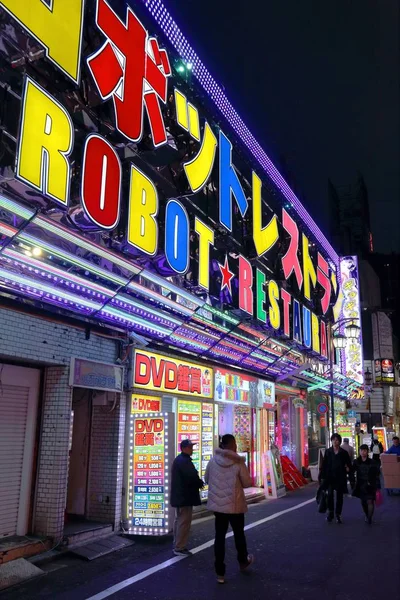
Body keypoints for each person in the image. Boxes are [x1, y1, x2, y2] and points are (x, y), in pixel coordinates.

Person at [205, 434, 253, 584]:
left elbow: (206, 479)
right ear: (232, 445)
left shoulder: (212, 461)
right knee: (239, 535)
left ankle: (220, 572)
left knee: (219, 538)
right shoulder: (238, 463)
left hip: (218, 507)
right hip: (235, 506)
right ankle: (243, 561)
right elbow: (246, 483)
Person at [170, 439, 204, 556]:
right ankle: (180, 547)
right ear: (184, 448)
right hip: (184, 497)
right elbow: (191, 477)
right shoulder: (184, 461)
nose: (192, 449)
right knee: (184, 522)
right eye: (190, 447)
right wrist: (200, 483)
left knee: (179, 521)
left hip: (180, 497)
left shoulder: (179, 460)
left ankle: (177, 544)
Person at [319, 433, 352, 524]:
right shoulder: (328, 452)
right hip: (330, 477)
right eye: (333, 440)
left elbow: (349, 464)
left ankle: (338, 514)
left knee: (339, 497)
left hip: (340, 477)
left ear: (339, 442)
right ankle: (330, 513)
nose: (335, 441)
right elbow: (324, 465)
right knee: (329, 495)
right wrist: (322, 477)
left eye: (337, 440)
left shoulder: (343, 453)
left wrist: (348, 470)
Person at [352, 444, 380, 524]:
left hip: (370, 484)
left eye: (365, 450)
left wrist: (377, 484)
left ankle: (369, 518)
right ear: (359, 452)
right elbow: (352, 471)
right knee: (363, 501)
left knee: (370, 501)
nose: (363, 452)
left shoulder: (372, 462)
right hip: (361, 485)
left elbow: (377, 473)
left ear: (367, 452)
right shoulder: (356, 462)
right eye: (362, 450)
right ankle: (367, 515)